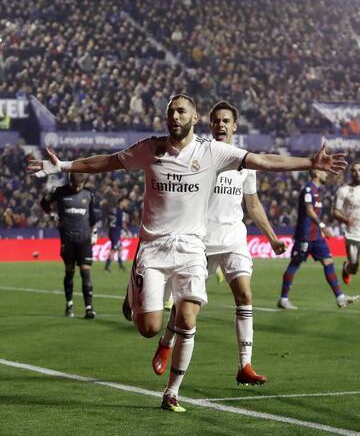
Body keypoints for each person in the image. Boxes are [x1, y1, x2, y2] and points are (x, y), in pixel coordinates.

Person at [29, 94, 347, 412]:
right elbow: (109, 162)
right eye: (170, 112)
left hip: (193, 247)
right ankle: (138, 294)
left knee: (189, 314)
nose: (175, 116)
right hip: (153, 248)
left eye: (181, 111)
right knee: (149, 327)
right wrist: (64, 165)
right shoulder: (150, 148)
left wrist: (309, 163)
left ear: (194, 118)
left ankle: (172, 391)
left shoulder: (212, 152)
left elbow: (264, 161)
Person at [152, 101, 287, 386]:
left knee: (245, 295)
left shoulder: (245, 163)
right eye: (216, 121)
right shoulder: (201, 156)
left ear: (235, 126)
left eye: (226, 120)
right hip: (201, 241)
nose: (221, 125)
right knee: (184, 310)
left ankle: (245, 365)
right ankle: (166, 341)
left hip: (234, 238)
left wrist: (272, 238)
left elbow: (252, 204)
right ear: (209, 125)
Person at [278, 169, 359, 310]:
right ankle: (283, 299)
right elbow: (309, 210)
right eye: (323, 171)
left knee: (329, 262)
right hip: (305, 236)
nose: (326, 174)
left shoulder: (316, 190)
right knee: (294, 264)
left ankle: (340, 298)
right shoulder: (308, 189)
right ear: (316, 173)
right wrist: (323, 226)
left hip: (316, 237)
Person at [40, 173, 97, 319]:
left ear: (83, 183)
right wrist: (52, 215)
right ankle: (70, 304)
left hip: (84, 238)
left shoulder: (89, 194)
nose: (77, 187)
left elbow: (92, 216)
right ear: (70, 182)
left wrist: (95, 231)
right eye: (75, 185)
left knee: (85, 272)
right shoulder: (60, 192)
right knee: (70, 272)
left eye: (80, 185)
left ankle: (89, 308)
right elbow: (44, 203)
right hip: (68, 239)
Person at [333, 160, 360, 284]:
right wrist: (346, 220)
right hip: (353, 234)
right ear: (351, 173)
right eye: (354, 171)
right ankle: (347, 268)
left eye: (359, 170)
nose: (357, 173)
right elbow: (335, 212)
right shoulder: (344, 190)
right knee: (354, 268)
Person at [105, 198, 125, 272]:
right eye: (124, 202)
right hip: (115, 232)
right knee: (113, 250)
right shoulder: (119, 211)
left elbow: (108, 221)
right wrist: (124, 229)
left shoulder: (112, 210)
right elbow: (120, 222)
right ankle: (107, 267)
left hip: (111, 231)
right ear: (120, 203)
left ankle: (121, 266)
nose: (125, 204)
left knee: (120, 248)